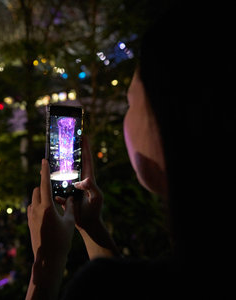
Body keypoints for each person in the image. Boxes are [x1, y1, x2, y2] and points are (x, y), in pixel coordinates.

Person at [26, 2, 236, 299]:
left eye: (131, 103)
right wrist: (89, 225)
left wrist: (46, 265)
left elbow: (115, 285)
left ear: (170, 118)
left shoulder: (99, 285)